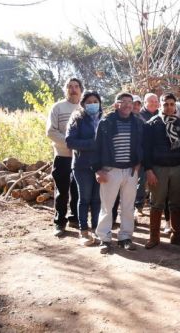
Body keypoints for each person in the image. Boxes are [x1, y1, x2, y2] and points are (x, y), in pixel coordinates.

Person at [93, 92, 144, 254]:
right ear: (117, 104)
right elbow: (96, 147)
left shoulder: (137, 123)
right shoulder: (106, 122)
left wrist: (139, 162)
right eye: (125, 102)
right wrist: (97, 170)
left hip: (130, 171)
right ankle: (104, 238)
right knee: (107, 207)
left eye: (131, 102)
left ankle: (125, 238)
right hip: (110, 170)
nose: (129, 105)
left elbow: (142, 145)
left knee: (128, 207)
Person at [144, 93, 180, 248]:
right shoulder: (152, 124)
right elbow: (145, 150)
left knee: (177, 203)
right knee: (157, 203)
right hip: (158, 169)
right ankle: (154, 237)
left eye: (172, 104)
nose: (169, 107)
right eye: (166, 104)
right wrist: (148, 170)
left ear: (175, 106)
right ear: (160, 105)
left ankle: (176, 235)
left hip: (178, 168)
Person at [65, 91, 102, 246]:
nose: (92, 104)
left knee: (97, 199)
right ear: (83, 103)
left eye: (95, 101)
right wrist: (91, 143)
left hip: (100, 166)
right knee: (84, 198)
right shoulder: (77, 118)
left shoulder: (104, 119)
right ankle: (84, 231)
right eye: (89, 102)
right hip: (82, 165)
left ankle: (96, 229)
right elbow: (70, 141)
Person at [46, 78, 82, 237]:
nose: (73, 89)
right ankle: (60, 222)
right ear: (65, 89)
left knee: (78, 191)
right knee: (62, 191)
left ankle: (75, 218)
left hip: (81, 158)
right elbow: (51, 132)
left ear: (81, 89)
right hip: (62, 157)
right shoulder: (58, 107)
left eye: (76, 87)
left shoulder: (85, 108)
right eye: (69, 87)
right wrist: (70, 143)